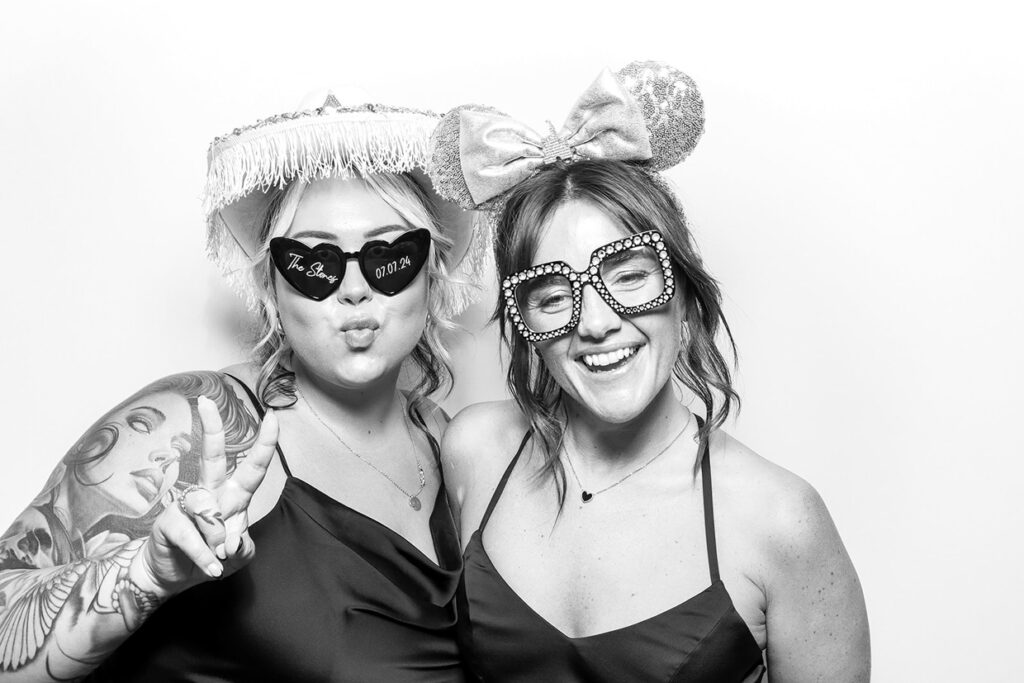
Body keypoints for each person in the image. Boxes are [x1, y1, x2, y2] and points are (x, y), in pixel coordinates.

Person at [0, 93, 481, 681]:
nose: (355, 290)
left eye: (388, 256)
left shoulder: (454, 445)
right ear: (272, 289)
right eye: (316, 264)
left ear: (433, 273)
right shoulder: (195, 423)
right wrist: (144, 576)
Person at [432, 62, 870, 681]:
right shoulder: (473, 452)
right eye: (554, 296)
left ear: (684, 297)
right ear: (526, 328)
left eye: (630, 277)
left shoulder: (781, 520)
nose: (596, 322)